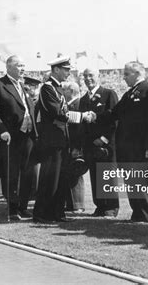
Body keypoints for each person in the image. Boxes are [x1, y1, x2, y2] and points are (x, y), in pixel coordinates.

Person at [93, 62, 148, 223]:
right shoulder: (131, 93)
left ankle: (146, 215)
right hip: (127, 148)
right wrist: (94, 116)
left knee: (141, 182)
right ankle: (138, 213)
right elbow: (114, 113)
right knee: (132, 182)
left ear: (137, 73)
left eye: (126, 74)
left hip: (140, 148)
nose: (123, 77)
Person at [33, 56, 90, 223]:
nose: (68, 73)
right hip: (51, 141)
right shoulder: (47, 88)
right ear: (56, 70)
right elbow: (58, 113)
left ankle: (56, 213)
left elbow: (61, 113)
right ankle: (42, 213)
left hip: (60, 140)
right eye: (66, 69)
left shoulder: (57, 89)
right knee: (49, 178)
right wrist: (82, 116)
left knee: (60, 179)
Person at [0, 55, 38, 220]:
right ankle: (13, 209)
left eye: (24, 65)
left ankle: (23, 207)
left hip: (27, 136)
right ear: (9, 67)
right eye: (19, 65)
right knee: (12, 174)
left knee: (27, 173)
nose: (23, 69)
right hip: (11, 137)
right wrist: (1, 130)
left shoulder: (22, 86)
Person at [78, 67, 119, 217]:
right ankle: (100, 206)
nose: (88, 78)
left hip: (105, 145)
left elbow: (115, 119)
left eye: (91, 75)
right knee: (95, 176)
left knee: (107, 175)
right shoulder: (83, 99)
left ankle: (111, 207)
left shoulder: (108, 94)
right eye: (85, 76)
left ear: (98, 76)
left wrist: (103, 139)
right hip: (90, 145)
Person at [62, 80, 85, 213]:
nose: (62, 92)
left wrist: (77, 146)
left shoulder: (78, 104)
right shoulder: (70, 104)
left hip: (75, 145)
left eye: (64, 90)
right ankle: (71, 204)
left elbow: (80, 128)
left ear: (70, 91)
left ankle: (78, 205)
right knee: (69, 174)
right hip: (68, 145)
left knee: (76, 175)